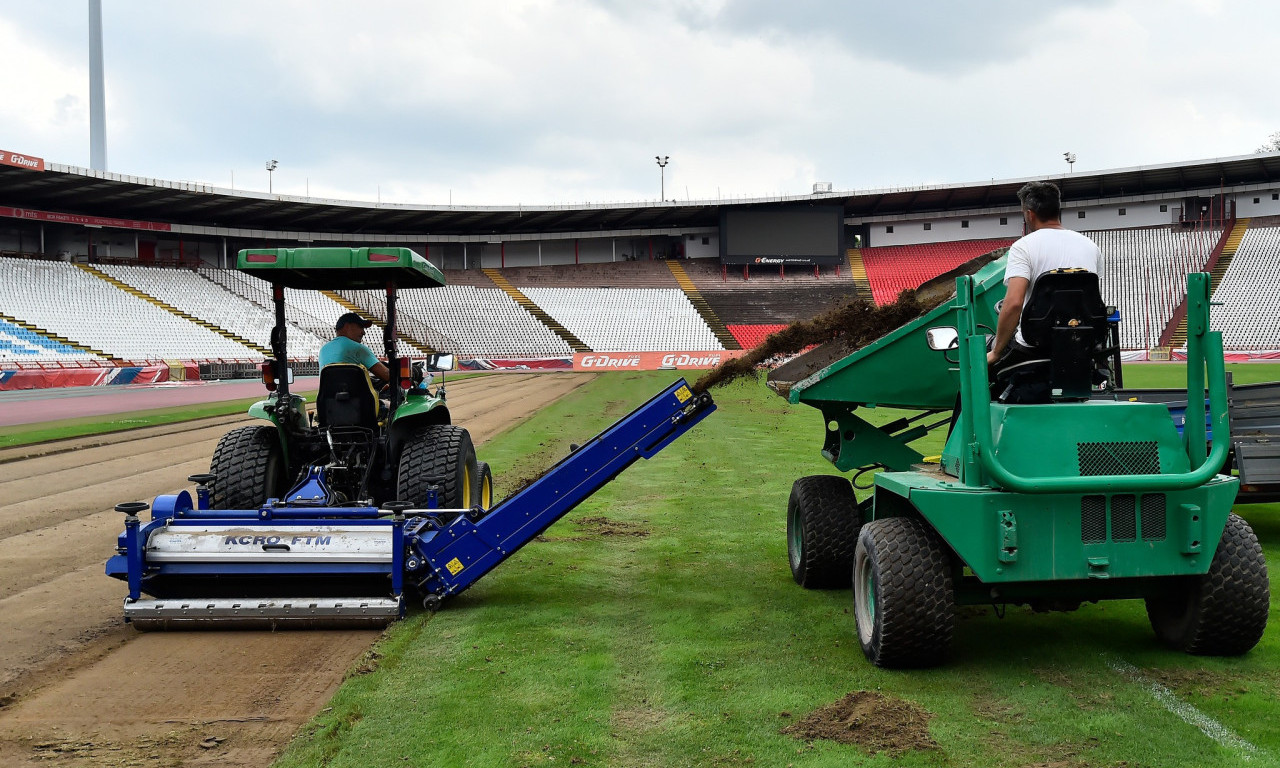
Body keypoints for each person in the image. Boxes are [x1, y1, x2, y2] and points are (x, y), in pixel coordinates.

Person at [986, 181, 1102, 400]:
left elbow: (1013, 304)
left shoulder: (1024, 246)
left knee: (981, 363)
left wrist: (996, 352)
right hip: (1078, 345)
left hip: (1033, 346)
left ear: (1029, 214)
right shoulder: (1090, 246)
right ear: (1058, 210)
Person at [319, 312, 390, 383]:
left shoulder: (323, 349)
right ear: (347, 326)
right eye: (360, 327)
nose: (363, 332)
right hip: (356, 394)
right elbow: (387, 376)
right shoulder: (358, 348)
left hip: (327, 394)